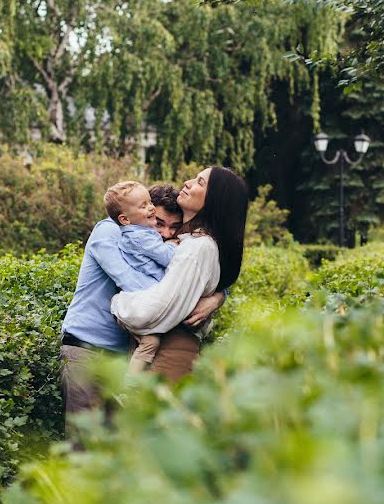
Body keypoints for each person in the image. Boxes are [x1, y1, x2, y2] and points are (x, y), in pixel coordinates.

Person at [59, 180, 225, 431]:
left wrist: (218, 296)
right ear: (138, 215)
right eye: (159, 223)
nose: (166, 233)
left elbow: (210, 270)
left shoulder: (161, 246)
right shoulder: (109, 233)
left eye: (174, 228)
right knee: (84, 446)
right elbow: (130, 281)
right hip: (87, 350)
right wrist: (177, 298)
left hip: (124, 359)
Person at [111, 166, 249, 381]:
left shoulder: (197, 247)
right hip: (152, 346)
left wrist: (118, 302)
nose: (187, 183)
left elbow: (155, 310)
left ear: (214, 200)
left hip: (171, 349)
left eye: (199, 182)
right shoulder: (186, 242)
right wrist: (219, 296)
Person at [103, 181, 176, 374]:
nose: (150, 208)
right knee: (150, 343)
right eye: (143, 206)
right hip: (141, 300)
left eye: (149, 202)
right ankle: (130, 387)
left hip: (138, 301)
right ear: (125, 219)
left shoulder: (136, 232)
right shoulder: (142, 236)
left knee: (149, 344)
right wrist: (177, 244)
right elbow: (167, 257)